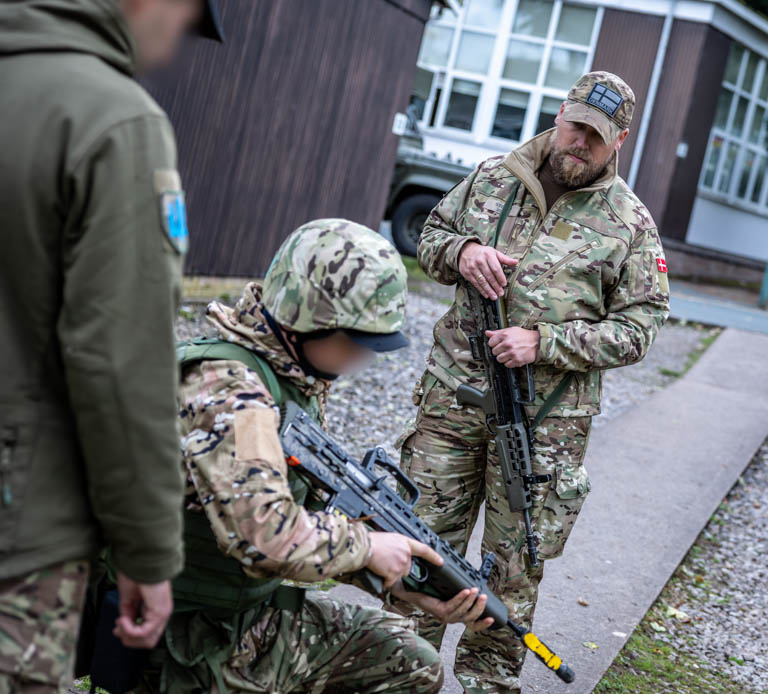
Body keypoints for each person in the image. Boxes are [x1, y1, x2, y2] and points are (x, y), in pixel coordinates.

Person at [400, 71, 671, 693]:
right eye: (575, 126)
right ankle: (398, 671)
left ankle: (486, 683)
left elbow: (641, 327)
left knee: (512, 570)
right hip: (452, 397)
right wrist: (464, 250)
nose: (579, 144)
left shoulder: (630, 224)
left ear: (620, 140)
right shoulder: (495, 176)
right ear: (561, 112)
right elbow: (430, 236)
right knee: (421, 545)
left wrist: (545, 343)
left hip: (543, 426)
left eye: (597, 138)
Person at [141, 219, 491, 694]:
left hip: (240, 610)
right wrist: (368, 548)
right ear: (305, 318)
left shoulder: (287, 375)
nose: (359, 360)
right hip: (180, 635)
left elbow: (300, 518)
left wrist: (395, 583)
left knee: (407, 661)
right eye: (354, 342)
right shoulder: (232, 393)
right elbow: (265, 535)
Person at [0, 0, 222, 690]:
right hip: (22, 541)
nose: (172, 42)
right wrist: (148, 553)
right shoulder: (111, 118)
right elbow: (120, 363)